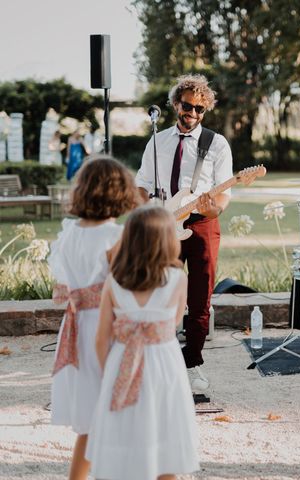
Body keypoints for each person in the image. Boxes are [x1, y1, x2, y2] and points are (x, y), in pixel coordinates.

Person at [136, 74, 233, 394]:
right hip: (164, 227)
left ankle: (193, 364)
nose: (192, 113)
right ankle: (162, 363)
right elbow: (142, 185)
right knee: (162, 294)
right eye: (187, 106)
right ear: (176, 104)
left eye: (200, 109)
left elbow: (221, 201)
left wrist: (209, 207)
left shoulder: (216, 144)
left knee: (199, 298)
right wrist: (148, 210)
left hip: (202, 225)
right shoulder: (157, 141)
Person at [86, 206, 199, 479]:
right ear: (167, 241)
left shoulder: (113, 283)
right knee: (167, 439)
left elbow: (101, 339)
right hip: (164, 367)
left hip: (122, 363)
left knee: (125, 436)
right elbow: (172, 324)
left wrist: (110, 373)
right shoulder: (178, 280)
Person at [49, 156, 139, 480]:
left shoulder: (69, 233)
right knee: (114, 413)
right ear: (119, 193)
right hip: (104, 332)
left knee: (90, 422)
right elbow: (125, 289)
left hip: (74, 328)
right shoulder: (114, 237)